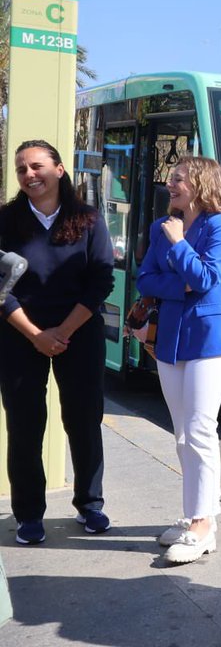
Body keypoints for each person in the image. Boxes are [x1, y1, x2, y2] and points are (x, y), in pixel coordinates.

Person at [0, 140, 115, 546]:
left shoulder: (88, 219)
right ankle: (29, 514)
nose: (29, 174)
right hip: (19, 335)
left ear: (59, 170)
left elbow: (101, 280)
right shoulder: (5, 220)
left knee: (84, 420)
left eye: (37, 166)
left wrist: (62, 331)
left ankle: (90, 504)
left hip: (79, 333)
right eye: (21, 169)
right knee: (25, 425)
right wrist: (36, 335)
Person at [135, 157, 221, 564]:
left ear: (201, 183)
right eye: (171, 178)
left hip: (211, 338)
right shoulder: (161, 227)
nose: (170, 183)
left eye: (178, 178)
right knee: (183, 434)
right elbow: (145, 279)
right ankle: (198, 515)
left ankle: (201, 523)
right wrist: (180, 283)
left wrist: (180, 246)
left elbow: (205, 278)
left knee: (200, 429)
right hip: (171, 340)